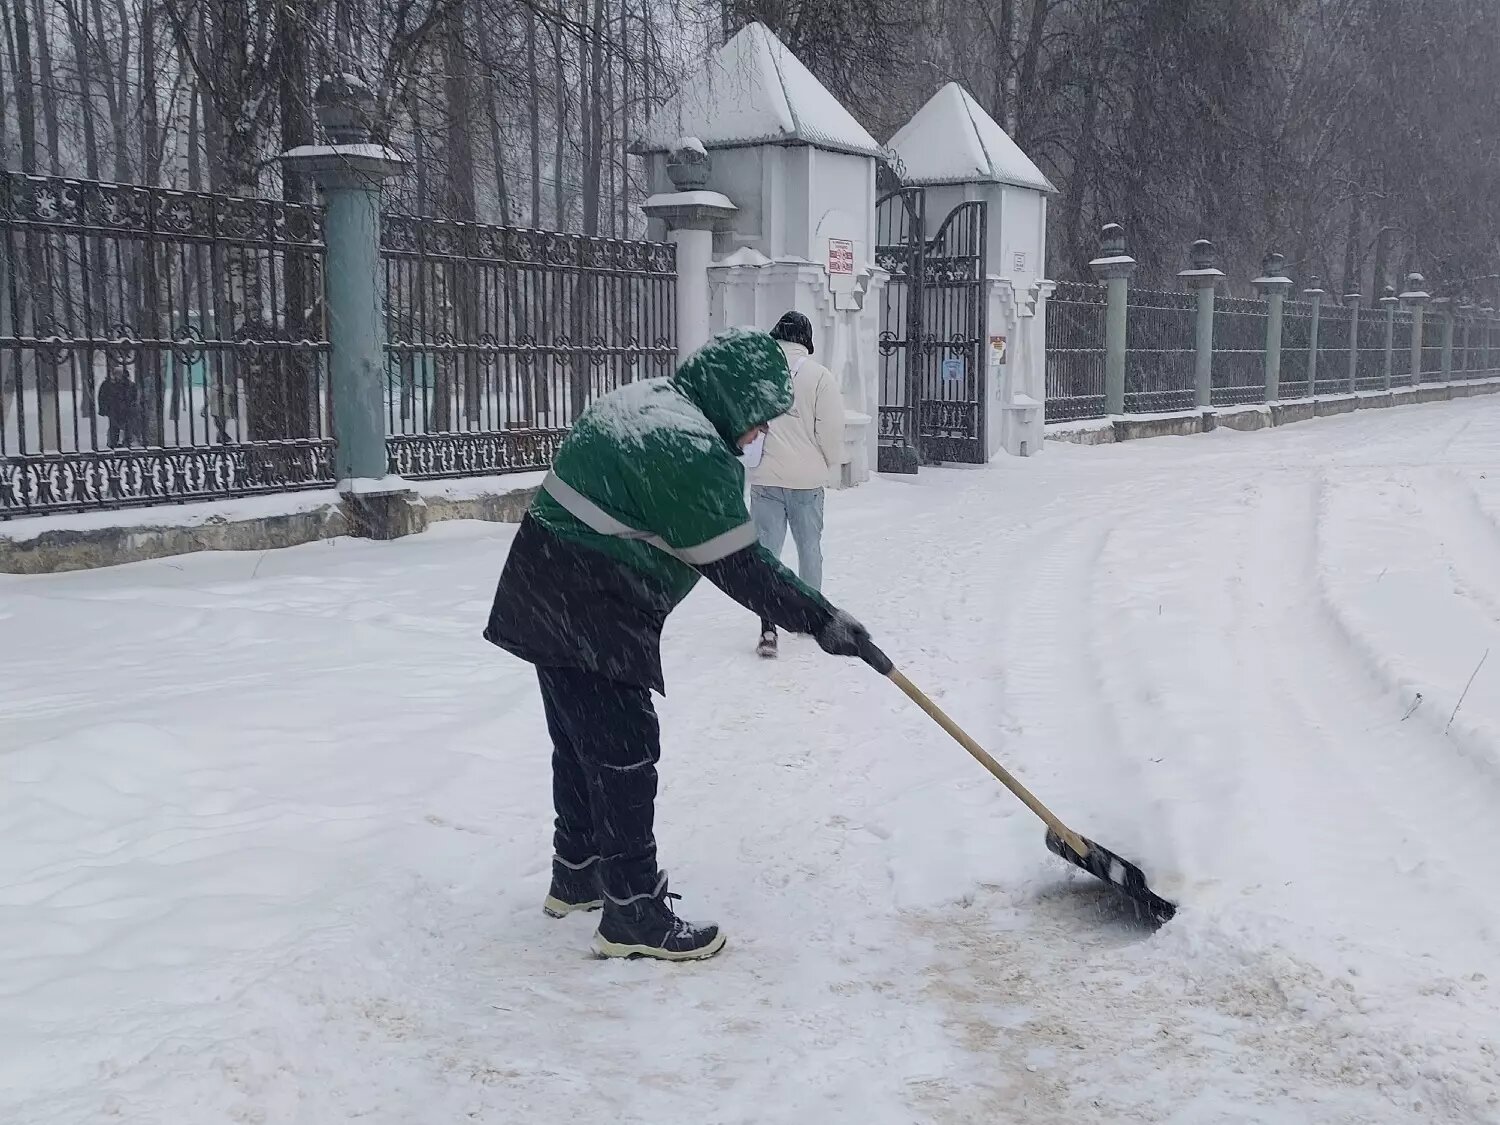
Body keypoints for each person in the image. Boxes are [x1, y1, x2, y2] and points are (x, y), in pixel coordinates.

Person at [484, 328, 880, 962]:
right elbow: (742, 566)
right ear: (734, 400)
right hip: (591, 599)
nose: (758, 438)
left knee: (579, 736)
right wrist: (823, 618)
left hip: (544, 587)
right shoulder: (686, 445)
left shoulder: (651, 401)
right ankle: (632, 911)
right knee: (623, 747)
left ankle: (579, 867)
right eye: (757, 423)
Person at [748, 311, 845, 658]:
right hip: (806, 481)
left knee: (765, 556)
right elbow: (830, 431)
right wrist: (828, 462)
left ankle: (768, 628)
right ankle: (808, 617)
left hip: (765, 479)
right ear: (805, 340)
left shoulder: (758, 372)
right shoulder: (820, 377)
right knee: (809, 549)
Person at [96, 362, 139, 449]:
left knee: (126, 426)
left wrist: (133, 406)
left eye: (119, 373)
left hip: (126, 409)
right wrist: (103, 409)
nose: (117, 376)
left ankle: (125, 441)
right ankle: (114, 442)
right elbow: (102, 397)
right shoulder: (108, 384)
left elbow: (134, 397)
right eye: (116, 373)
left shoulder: (129, 384)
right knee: (114, 426)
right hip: (113, 409)